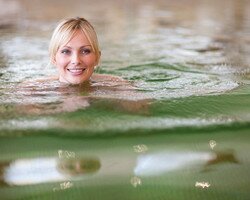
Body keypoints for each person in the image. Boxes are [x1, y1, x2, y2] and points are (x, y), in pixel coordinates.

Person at [49, 17, 122, 85]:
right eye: (66, 51)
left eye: (85, 51)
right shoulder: (38, 90)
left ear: (97, 58)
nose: (76, 61)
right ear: (53, 58)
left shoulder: (117, 85)